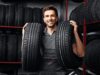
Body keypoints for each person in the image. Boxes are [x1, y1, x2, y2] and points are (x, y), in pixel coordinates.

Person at [23, 5, 85, 75]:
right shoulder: (38, 35)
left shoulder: (65, 35)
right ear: (43, 19)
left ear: (56, 18)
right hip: (42, 72)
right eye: (47, 16)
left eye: (52, 15)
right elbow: (27, 52)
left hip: (60, 72)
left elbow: (81, 54)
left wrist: (75, 32)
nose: (50, 18)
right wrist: (25, 34)